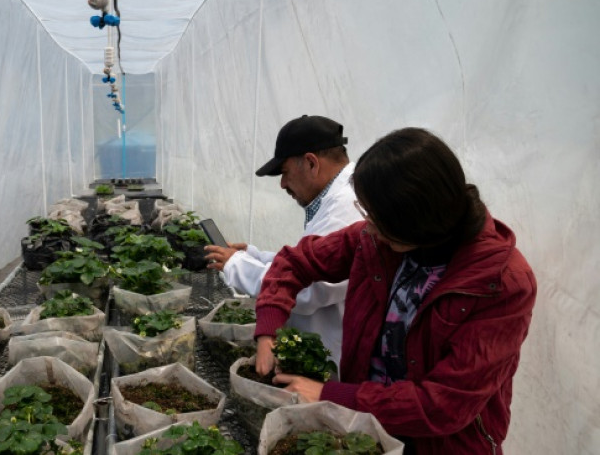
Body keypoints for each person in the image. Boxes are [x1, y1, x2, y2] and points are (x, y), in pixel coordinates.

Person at [254, 128, 536, 454]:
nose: (367, 226)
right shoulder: (376, 240)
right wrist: (268, 331)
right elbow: (294, 262)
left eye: (375, 217)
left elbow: (443, 404)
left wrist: (329, 394)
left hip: (441, 446)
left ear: (416, 220)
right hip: (365, 432)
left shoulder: (501, 284)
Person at [204, 115, 360, 366]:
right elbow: (309, 261)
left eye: (285, 172)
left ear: (311, 163)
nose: (283, 184)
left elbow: (309, 289)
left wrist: (238, 266)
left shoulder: (344, 208)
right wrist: (255, 256)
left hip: (330, 362)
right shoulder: (337, 198)